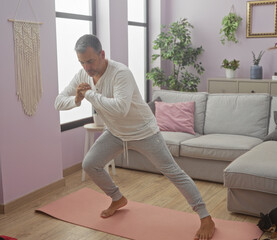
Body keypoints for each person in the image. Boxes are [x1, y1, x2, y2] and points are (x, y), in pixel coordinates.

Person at [55, 34, 215, 240]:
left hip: (144, 132)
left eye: (90, 61)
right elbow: (58, 102)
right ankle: (117, 198)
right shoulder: (83, 75)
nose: (86, 68)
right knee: (90, 164)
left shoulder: (121, 73)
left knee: (173, 172)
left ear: (102, 54)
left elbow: (120, 108)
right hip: (115, 133)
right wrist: (77, 98)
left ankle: (205, 216)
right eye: (82, 62)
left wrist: (89, 95)